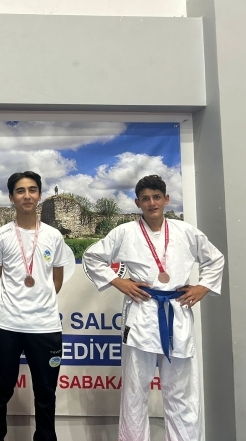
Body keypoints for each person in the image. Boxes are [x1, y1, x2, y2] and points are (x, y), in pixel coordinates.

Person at [82, 174, 224, 441]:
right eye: (145, 199)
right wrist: (118, 281)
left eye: (156, 197)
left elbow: (214, 259)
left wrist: (202, 287)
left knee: (182, 392)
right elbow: (92, 257)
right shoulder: (125, 232)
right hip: (141, 313)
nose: (152, 203)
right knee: (135, 390)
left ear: (166, 199)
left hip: (177, 311)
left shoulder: (185, 231)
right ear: (138, 203)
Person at [0, 171, 75, 441]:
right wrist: (11, 306)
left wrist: (40, 303)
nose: (27, 196)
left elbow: (56, 280)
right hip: (6, 326)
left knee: (46, 394)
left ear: (40, 195)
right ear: (11, 197)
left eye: (32, 190)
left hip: (45, 327)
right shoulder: (0, 235)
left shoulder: (54, 236)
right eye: (20, 191)